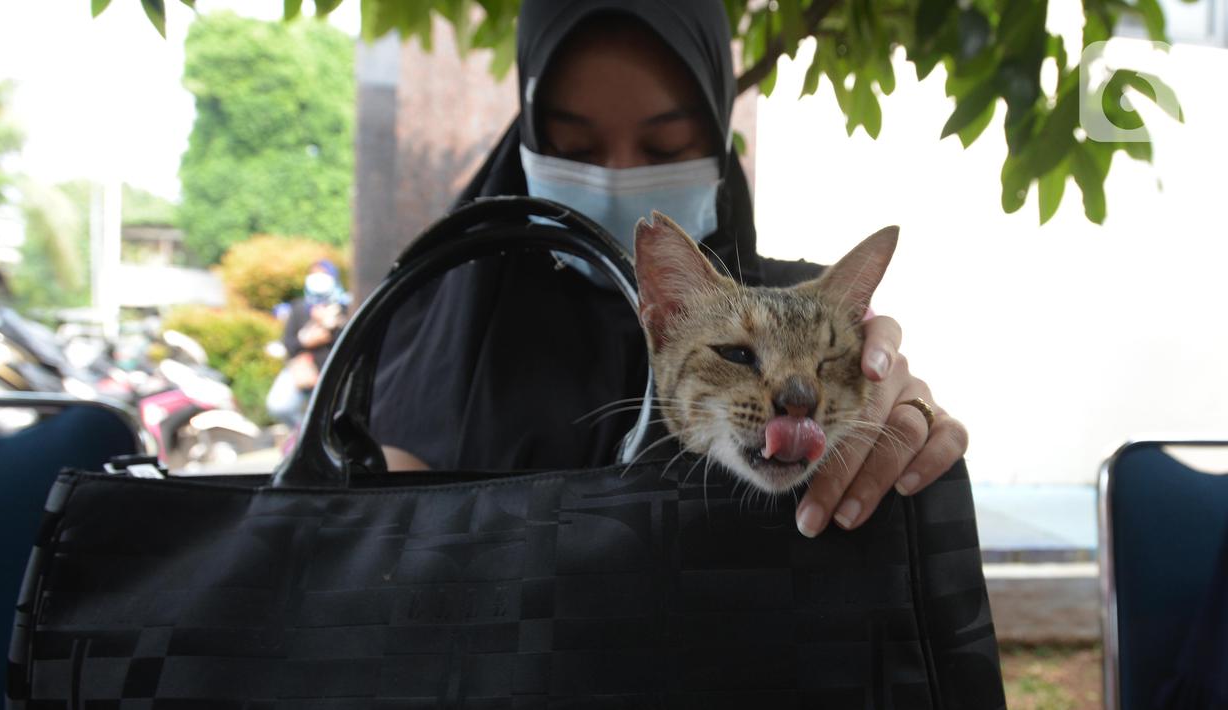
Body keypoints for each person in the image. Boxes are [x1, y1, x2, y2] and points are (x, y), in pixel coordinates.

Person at [370, 0, 969, 539]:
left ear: (715, 139)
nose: (617, 176)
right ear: (526, 139)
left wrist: (901, 415)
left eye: (667, 146)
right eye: (574, 148)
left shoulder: (802, 295)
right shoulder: (430, 337)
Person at [266, 259, 349, 429]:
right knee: (279, 404)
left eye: (323, 274)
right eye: (314, 274)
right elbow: (288, 343)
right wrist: (306, 341)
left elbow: (349, 342)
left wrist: (332, 325)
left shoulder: (344, 307)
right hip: (303, 372)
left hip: (334, 373)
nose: (318, 278)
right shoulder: (299, 308)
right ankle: (302, 432)